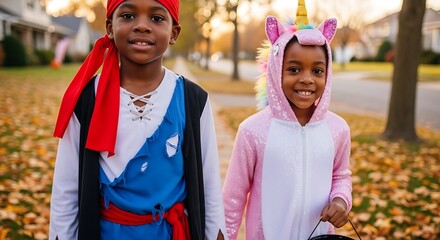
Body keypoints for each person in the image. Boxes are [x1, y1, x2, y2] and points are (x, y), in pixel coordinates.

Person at [49, 0, 227, 239]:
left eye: (156, 18)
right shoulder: (87, 99)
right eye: (128, 16)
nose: (142, 26)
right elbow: (66, 186)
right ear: (110, 27)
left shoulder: (193, 100)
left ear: (174, 32)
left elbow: (209, 183)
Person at [222, 0, 352, 239]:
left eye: (317, 71)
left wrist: (341, 201)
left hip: (319, 235)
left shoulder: (337, 129)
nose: (307, 79)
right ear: (275, 69)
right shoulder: (253, 131)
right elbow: (233, 197)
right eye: (293, 69)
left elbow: (340, 175)